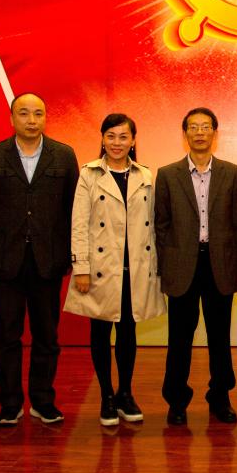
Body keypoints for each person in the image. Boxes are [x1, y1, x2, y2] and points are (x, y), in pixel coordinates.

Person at [0, 92, 79, 426]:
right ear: (11, 118)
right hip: (5, 261)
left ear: (46, 117)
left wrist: (72, 255)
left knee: (46, 336)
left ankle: (43, 401)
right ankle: (10, 404)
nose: (31, 120)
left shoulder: (63, 155)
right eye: (24, 113)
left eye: (38, 113)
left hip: (48, 261)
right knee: (7, 336)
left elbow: (73, 210)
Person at [63, 114, 165, 426]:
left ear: (133, 140)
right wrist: (81, 267)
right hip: (101, 268)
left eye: (123, 137)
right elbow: (79, 223)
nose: (117, 143)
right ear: (102, 139)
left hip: (135, 268)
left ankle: (125, 393)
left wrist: (157, 269)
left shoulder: (145, 175)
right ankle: (106, 395)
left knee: (128, 332)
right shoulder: (89, 174)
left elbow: (153, 226)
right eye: (111, 136)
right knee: (100, 332)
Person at [156, 107, 237, 426]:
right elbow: (161, 225)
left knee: (219, 337)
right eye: (193, 127)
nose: (199, 132)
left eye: (205, 127)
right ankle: (176, 400)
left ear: (214, 133)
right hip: (182, 266)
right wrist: (165, 265)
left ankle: (220, 397)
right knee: (179, 338)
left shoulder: (232, 173)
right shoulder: (167, 174)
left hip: (219, 264)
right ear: (185, 134)